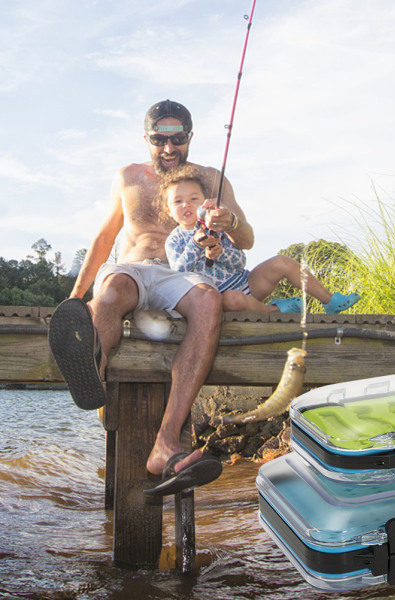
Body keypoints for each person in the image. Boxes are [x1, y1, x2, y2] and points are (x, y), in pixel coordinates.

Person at [48, 99, 253, 496]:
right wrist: (74, 299)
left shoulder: (212, 180)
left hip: (185, 275)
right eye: (160, 139)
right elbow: (106, 237)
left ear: (190, 137)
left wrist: (232, 222)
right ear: (147, 138)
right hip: (134, 271)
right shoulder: (128, 176)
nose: (169, 147)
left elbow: (247, 239)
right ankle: (94, 368)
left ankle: (166, 444)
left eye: (178, 138)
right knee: (109, 292)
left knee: (209, 301)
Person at [160, 164, 361, 314]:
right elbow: (179, 272)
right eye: (178, 201)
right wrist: (196, 245)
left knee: (282, 262)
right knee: (233, 299)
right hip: (223, 298)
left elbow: (240, 262)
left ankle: (329, 300)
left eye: (193, 199)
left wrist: (221, 253)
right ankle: (274, 310)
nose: (186, 205)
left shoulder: (216, 225)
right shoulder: (174, 240)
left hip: (247, 282)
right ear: (168, 210)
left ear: (204, 202)